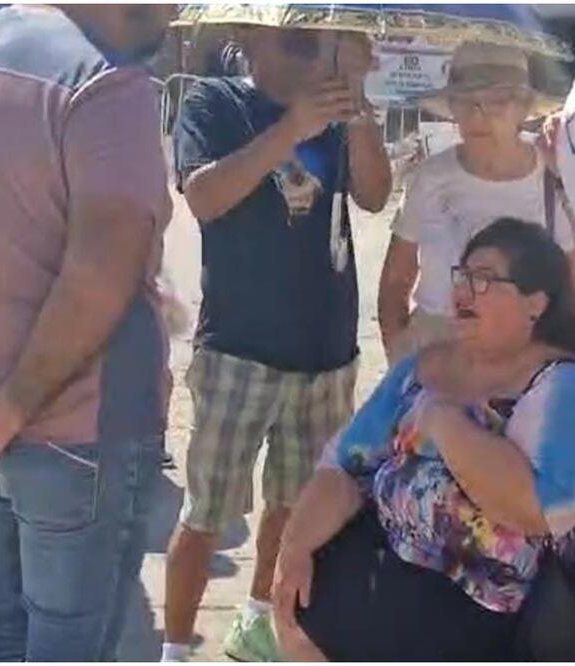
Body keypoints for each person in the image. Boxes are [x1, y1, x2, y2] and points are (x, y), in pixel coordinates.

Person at [0, 5, 175, 661]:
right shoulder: (106, 82)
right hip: (77, 430)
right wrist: (10, 406)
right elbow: (103, 268)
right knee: (70, 644)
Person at [270, 218, 575, 660]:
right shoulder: (423, 368)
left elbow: (540, 509)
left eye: (484, 279)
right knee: (301, 612)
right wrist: (295, 547)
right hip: (399, 583)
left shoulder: (567, 386)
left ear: (536, 304)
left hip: (506, 615)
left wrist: (445, 423)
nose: (464, 290)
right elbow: (345, 464)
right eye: (462, 275)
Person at [162, 25, 391, 662]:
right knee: (208, 513)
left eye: (321, 44)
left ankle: (259, 619)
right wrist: (292, 128)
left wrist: (360, 102)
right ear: (249, 41)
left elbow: (374, 195)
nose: (312, 57)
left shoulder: (342, 111)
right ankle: (176, 648)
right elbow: (204, 197)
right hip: (239, 348)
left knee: (293, 506)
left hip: (326, 350)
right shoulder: (215, 101)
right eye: (297, 44)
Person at [378, 42, 575, 365]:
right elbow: (395, 283)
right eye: (466, 102)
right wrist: (401, 363)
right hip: (435, 356)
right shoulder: (429, 177)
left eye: (496, 102)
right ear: (452, 108)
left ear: (523, 108)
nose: (478, 115)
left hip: (522, 361)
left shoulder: (554, 177)